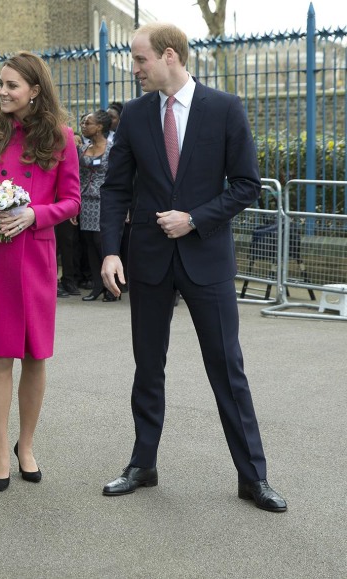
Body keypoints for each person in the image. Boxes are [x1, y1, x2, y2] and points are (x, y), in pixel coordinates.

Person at [99, 22, 287, 512]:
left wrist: (195, 219)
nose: (134, 68)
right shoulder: (136, 116)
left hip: (207, 258)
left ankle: (253, 477)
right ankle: (143, 464)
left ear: (168, 56)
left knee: (227, 367)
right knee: (147, 365)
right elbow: (116, 188)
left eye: (139, 59)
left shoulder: (224, 109)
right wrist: (110, 251)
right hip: (148, 260)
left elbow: (247, 185)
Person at [0, 51, 80, 491]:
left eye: (11, 85)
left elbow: (72, 200)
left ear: (35, 90)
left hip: (36, 255)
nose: (2, 92)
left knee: (35, 355)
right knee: (0, 353)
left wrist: (36, 215)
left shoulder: (62, 138)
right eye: (1, 84)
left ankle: (26, 446)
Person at [78, 110, 115, 302]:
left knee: (102, 243)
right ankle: (97, 286)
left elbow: (118, 178)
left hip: (104, 201)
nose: (83, 126)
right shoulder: (82, 148)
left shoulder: (112, 149)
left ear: (99, 127)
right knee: (90, 245)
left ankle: (112, 287)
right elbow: (77, 176)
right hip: (85, 201)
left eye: (87, 123)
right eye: (83, 123)